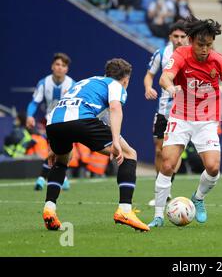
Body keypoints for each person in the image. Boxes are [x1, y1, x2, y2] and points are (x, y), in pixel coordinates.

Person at [148, 16, 222, 228]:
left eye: (209, 45)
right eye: (201, 45)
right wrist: (171, 87)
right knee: (167, 163)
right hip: (180, 116)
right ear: (191, 41)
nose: (204, 49)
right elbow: (165, 77)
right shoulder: (181, 54)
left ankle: (199, 198)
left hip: (207, 119)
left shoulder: (219, 61)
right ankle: (158, 215)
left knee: (213, 167)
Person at [42, 58, 150, 232]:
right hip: (81, 120)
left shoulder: (87, 81)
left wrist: (53, 146)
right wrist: (115, 142)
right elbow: (115, 109)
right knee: (129, 154)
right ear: (126, 80)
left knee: (62, 159)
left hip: (54, 123)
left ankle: (49, 208)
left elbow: (70, 110)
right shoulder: (115, 85)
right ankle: (125, 210)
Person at [144, 20, 188, 206]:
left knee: (174, 153)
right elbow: (149, 75)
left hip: (183, 110)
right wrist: (148, 88)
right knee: (159, 150)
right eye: (175, 36)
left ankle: (166, 190)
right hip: (163, 110)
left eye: (182, 37)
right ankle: (160, 190)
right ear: (170, 36)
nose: (179, 40)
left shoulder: (192, 54)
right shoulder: (161, 53)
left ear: (187, 38)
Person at [27, 53, 75, 191]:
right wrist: (30, 115)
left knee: (61, 152)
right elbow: (34, 102)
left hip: (67, 121)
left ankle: (57, 177)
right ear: (52, 66)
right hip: (51, 121)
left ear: (67, 69)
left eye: (63, 65)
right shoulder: (44, 83)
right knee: (54, 149)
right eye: (58, 64)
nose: (60, 68)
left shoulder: (72, 84)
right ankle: (44, 178)